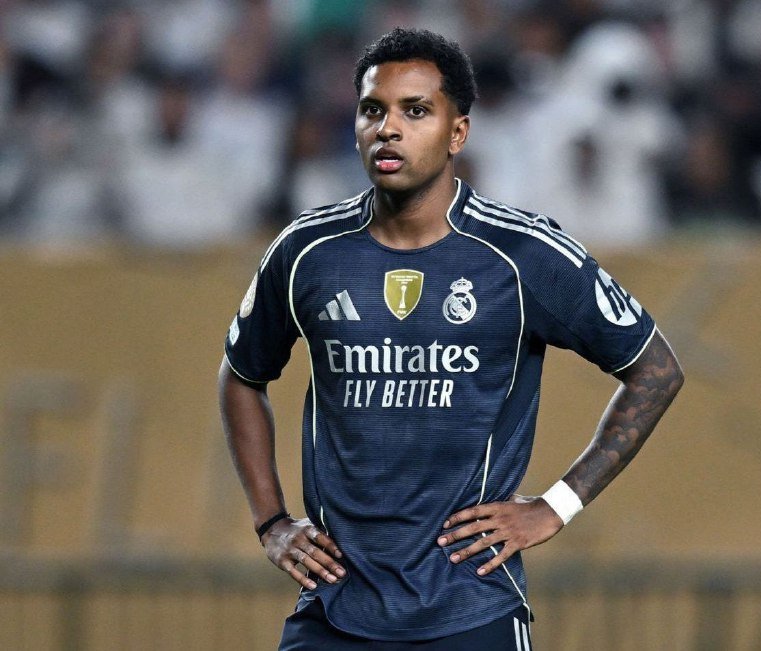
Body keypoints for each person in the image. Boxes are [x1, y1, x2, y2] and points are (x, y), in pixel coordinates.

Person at [218, 27, 684, 649]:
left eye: (415, 111)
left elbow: (656, 369)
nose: (388, 128)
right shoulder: (307, 251)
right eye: (372, 110)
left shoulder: (523, 254)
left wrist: (558, 504)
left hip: (471, 609)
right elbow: (241, 376)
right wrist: (272, 521)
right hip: (334, 608)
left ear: (457, 132)